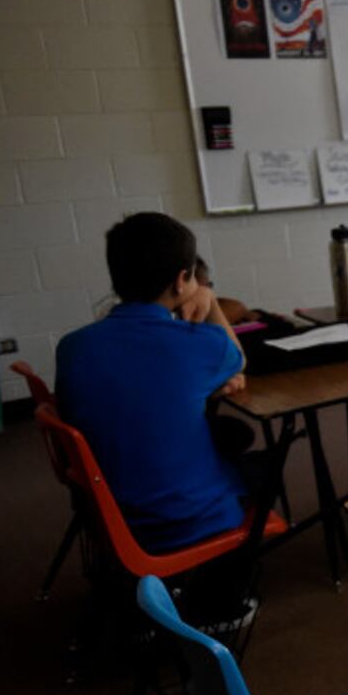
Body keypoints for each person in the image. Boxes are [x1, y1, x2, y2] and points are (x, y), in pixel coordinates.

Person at [55, 212, 258, 624]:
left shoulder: (72, 347)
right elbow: (236, 355)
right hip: (180, 520)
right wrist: (210, 299)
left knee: (226, 438)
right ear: (183, 280)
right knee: (261, 465)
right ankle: (223, 604)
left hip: (109, 511)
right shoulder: (197, 347)